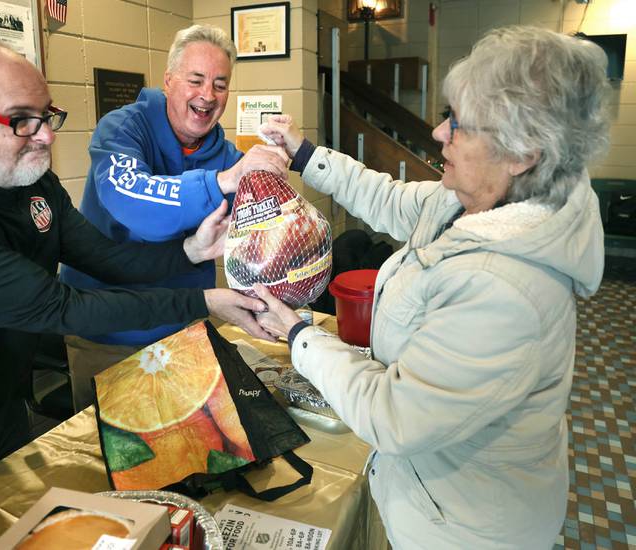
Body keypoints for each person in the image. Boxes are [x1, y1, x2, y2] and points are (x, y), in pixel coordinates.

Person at [0, 39, 272, 544]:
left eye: (47, 115)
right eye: (22, 119)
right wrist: (203, 301)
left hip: (0, 415)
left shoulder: (36, 187)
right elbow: (60, 307)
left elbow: (106, 257)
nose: (44, 136)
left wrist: (188, 254)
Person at [254, 26, 609, 549]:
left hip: (466, 527)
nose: (439, 133)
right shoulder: (473, 202)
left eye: (459, 124)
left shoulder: (505, 289)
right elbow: (388, 197)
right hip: (432, 493)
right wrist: (305, 154)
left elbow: (394, 414)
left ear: (523, 152)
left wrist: (298, 335)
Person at [60, 24, 289, 410]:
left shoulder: (228, 157)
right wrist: (222, 182)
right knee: (114, 461)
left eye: (220, 84)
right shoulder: (122, 129)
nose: (207, 95)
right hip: (109, 332)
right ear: (168, 81)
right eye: (195, 80)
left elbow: (266, 237)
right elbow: (135, 207)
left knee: (194, 452)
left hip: (188, 323)